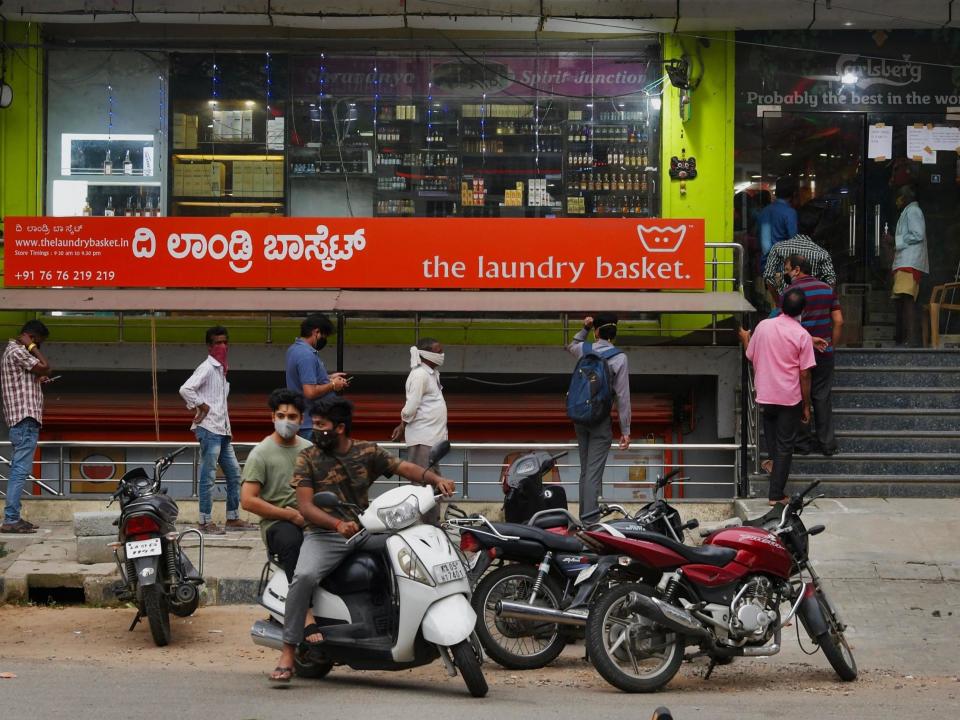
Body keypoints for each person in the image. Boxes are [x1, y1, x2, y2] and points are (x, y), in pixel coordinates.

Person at [270, 396, 456, 683]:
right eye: (314, 423)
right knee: (305, 575)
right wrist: (336, 523)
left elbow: (401, 467)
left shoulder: (366, 451)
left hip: (365, 529)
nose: (314, 429)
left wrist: (434, 479)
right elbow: (306, 507)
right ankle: (288, 650)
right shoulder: (307, 458)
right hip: (325, 535)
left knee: (410, 551)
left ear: (340, 428)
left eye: (321, 424)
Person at [738, 289, 816, 505]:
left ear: (781, 307)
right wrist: (806, 405)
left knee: (773, 437)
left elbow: (750, 355)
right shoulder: (801, 335)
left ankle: (773, 465)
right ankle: (776, 495)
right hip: (788, 397)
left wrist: (746, 338)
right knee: (784, 445)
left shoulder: (763, 326)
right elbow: (805, 373)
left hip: (765, 393)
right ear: (802, 311)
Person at [179, 326, 254, 534]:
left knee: (234, 474)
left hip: (221, 430)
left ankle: (232, 518)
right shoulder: (208, 367)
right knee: (208, 475)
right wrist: (201, 406)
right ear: (209, 346)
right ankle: (204, 521)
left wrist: (226, 426)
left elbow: (220, 402)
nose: (222, 346)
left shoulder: (221, 369)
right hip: (209, 429)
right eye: (217, 343)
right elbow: (185, 389)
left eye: (224, 342)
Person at [240, 389, 313, 581]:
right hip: (277, 523)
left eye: (292, 416)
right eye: (281, 416)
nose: (286, 421)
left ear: (301, 419)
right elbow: (247, 500)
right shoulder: (260, 454)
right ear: (272, 417)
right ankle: (303, 608)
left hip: (311, 516)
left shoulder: (310, 450)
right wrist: (289, 515)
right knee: (292, 543)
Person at [565, 314, 631, 518]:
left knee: (585, 472)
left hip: (580, 417)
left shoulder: (584, 350)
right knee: (593, 474)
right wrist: (626, 430)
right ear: (614, 334)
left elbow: (572, 344)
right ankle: (590, 523)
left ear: (597, 332)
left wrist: (584, 328)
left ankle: (582, 520)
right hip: (600, 420)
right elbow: (622, 396)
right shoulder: (619, 357)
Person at [780, 255, 843, 456]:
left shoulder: (790, 292)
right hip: (824, 351)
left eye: (788, 269)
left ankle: (803, 443)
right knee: (822, 396)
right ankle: (827, 444)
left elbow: (786, 324)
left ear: (797, 270)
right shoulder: (827, 289)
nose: (786, 273)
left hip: (797, 352)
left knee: (799, 395)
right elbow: (839, 321)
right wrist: (831, 344)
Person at [1, 321, 53, 534]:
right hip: (25, 419)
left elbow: (38, 372)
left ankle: (14, 517)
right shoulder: (16, 351)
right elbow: (46, 366)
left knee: (19, 470)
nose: (38, 347)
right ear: (29, 336)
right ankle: (11, 519)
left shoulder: (14, 354)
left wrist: (38, 379)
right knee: (19, 471)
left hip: (22, 420)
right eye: (37, 342)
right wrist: (31, 348)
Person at [286, 314, 349, 440]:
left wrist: (328, 377)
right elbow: (310, 392)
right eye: (324, 336)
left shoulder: (294, 349)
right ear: (316, 332)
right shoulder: (306, 355)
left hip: (309, 422)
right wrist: (333, 385)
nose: (325, 340)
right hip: (314, 425)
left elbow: (304, 378)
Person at [390, 338, 448, 467]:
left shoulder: (432, 374)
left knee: (430, 478)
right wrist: (402, 426)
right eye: (439, 352)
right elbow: (411, 406)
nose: (442, 355)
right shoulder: (420, 375)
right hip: (423, 439)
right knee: (422, 479)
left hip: (431, 438)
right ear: (426, 355)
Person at [763, 205, 838, 298]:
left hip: (786, 305)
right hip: (812, 306)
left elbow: (769, 278)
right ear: (815, 230)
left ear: (796, 225)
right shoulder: (822, 254)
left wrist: (778, 302)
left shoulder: (778, 248)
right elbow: (831, 281)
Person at [886, 185, 929, 347]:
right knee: (902, 301)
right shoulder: (909, 212)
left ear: (905, 198)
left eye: (899, 197)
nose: (897, 201)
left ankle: (910, 341)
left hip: (909, 263)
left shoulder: (913, 211)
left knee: (907, 300)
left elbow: (918, 234)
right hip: (905, 263)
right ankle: (903, 338)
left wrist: (895, 241)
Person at [756, 176, 799, 272]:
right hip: (782, 266)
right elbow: (794, 240)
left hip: (764, 265)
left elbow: (759, 238)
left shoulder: (764, 211)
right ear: (793, 194)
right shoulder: (790, 213)